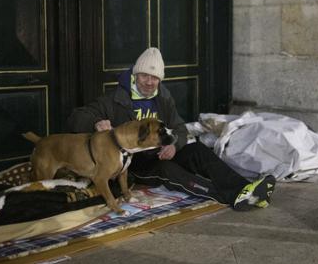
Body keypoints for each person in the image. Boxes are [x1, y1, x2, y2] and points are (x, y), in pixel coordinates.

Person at [67, 47, 276, 211]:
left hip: (162, 152)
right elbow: (76, 118)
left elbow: (179, 128)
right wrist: (95, 123)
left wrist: (175, 146)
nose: (150, 82)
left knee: (199, 151)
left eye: (155, 78)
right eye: (144, 76)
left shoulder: (163, 98)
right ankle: (231, 198)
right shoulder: (115, 100)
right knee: (170, 172)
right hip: (134, 164)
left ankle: (245, 188)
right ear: (135, 75)